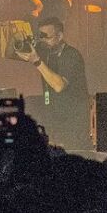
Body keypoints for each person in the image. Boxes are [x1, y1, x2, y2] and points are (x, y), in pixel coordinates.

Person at [15, 16, 90, 150]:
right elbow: (18, 53)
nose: (43, 40)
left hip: (73, 123)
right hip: (54, 121)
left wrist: (37, 61)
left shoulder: (72, 55)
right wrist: (19, 41)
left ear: (59, 36)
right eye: (40, 36)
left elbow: (59, 86)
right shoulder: (46, 52)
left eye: (46, 36)